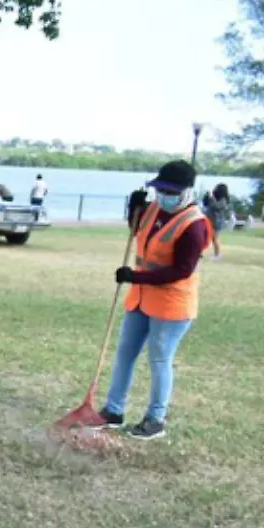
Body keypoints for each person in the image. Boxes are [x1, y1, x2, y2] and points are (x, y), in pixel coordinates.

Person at [98, 160, 211, 440]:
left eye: (170, 191)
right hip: (141, 298)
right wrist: (132, 209)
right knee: (125, 353)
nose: (163, 195)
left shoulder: (194, 225)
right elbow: (139, 232)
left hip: (172, 304)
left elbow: (181, 270)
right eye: (160, 189)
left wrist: (136, 278)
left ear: (186, 191)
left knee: (160, 359)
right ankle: (113, 411)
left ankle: (155, 419)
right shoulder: (152, 210)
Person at [204, 183, 231, 259]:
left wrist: (212, 198)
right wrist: (207, 196)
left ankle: (217, 254)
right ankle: (215, 254)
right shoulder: (215, 197)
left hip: (217, 221)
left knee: (215, 238)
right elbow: (206, 204)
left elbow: (217, 207)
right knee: (207, 237)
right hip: (210, 219)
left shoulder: (223, 199)